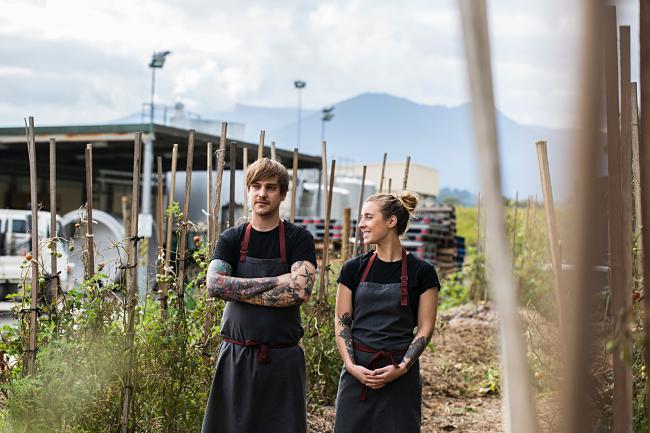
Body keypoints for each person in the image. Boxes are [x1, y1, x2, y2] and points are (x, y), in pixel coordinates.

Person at [201, 158, 317, 433]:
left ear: (283, 194)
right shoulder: (233, 238)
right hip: (235, 357)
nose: (262, 193)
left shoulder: (298, 238)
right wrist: (278, 280)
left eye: (270, 187)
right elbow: (215, 285)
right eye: (255, 186)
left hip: (282, 360)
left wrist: (238, 288)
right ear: (248, 191)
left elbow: (300, 291)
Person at [333, 191, 440, 433]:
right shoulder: (353, 269)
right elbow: (342, 323)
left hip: (399, 378)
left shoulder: (423, 272)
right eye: (362, 218)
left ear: (391, 221)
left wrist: (401, 368)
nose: (361, 224)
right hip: (356, 375)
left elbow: (425, 327)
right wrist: (351, 367)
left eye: (368, 217)